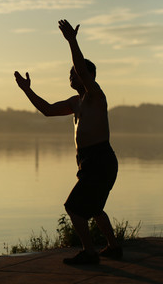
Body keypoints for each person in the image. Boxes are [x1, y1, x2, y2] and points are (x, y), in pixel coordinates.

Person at [14, 19, 122, 265]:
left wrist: (72, 41)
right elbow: (48, 110)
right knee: (93, 208)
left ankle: (90, 253)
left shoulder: (95, 96)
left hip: (100, 158)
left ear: (89, 76)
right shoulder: (76, 102)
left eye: (74, 73)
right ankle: (113, 248)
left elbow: (83, 71)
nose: (71, 76)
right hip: (89, 161)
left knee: (73, 207)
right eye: (70, 74)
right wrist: (26, 90)